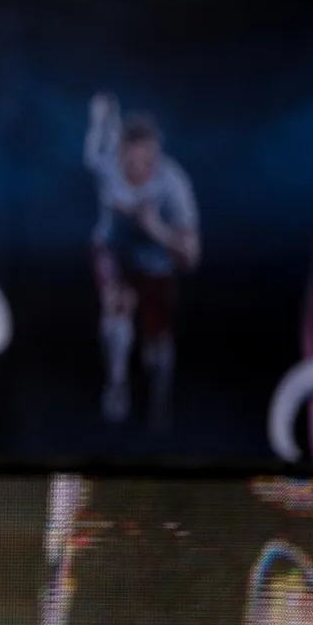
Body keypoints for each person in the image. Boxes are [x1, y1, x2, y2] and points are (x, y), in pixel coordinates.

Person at [84, 93, 199, 434]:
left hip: (156, 261)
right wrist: (100, 114)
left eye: (148, 162)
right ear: (121, 154)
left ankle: (159, 401)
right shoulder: (105, 164)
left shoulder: (174, 184)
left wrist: (157, 230)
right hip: (113, 250)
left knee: (156, 340)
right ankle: (117, 384)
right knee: (117, 306)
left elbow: (192, 257)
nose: (139, 171)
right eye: (131, 162)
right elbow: (92, 148)